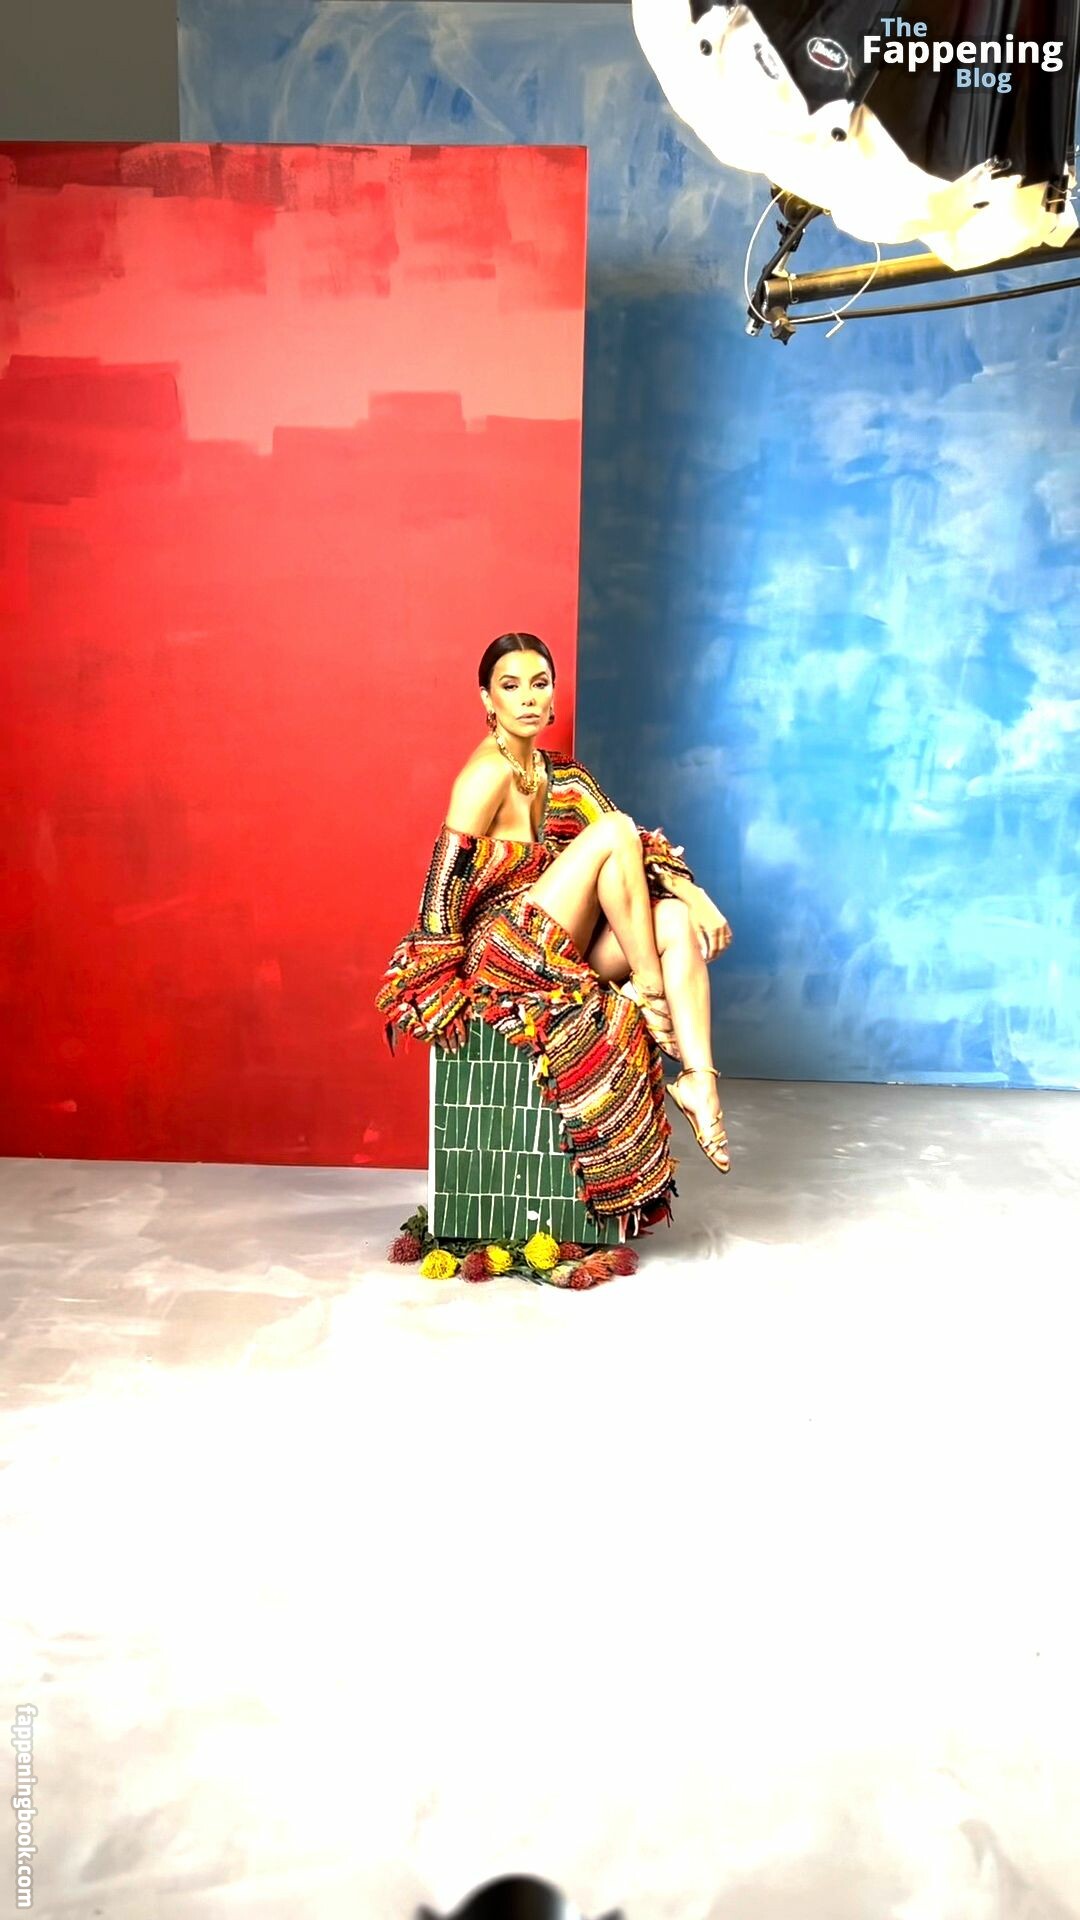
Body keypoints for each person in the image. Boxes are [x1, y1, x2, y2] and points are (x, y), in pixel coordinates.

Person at [376, 633, 734, 1240]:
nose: (527, 698)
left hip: (555, 946)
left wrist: (695, 897)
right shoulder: (484, 776)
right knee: (611, 830)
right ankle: (651, 997)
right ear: (486, 699)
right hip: (502, 952)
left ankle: (699, 1080)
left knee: (672, 919)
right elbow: (440, 894)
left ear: (552, 693)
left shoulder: (560, 775)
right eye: (510, 686)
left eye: (539, 684)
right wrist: (436, 984)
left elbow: (638, 849)